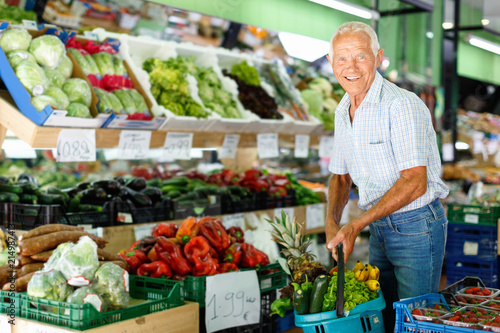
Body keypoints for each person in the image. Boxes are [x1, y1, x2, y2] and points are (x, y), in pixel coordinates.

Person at [325, 21, 449, 332]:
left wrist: (355, 225)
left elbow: (414, 181)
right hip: (378, 226)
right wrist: (332, 224)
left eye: (361, 56)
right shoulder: (343, 111)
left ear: (378, 57)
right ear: (330, 62)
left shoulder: (401, 105)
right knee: (384, 317)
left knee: (416, 322)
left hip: (416, 225)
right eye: (341, 58)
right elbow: (340, 177)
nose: (350, 67)